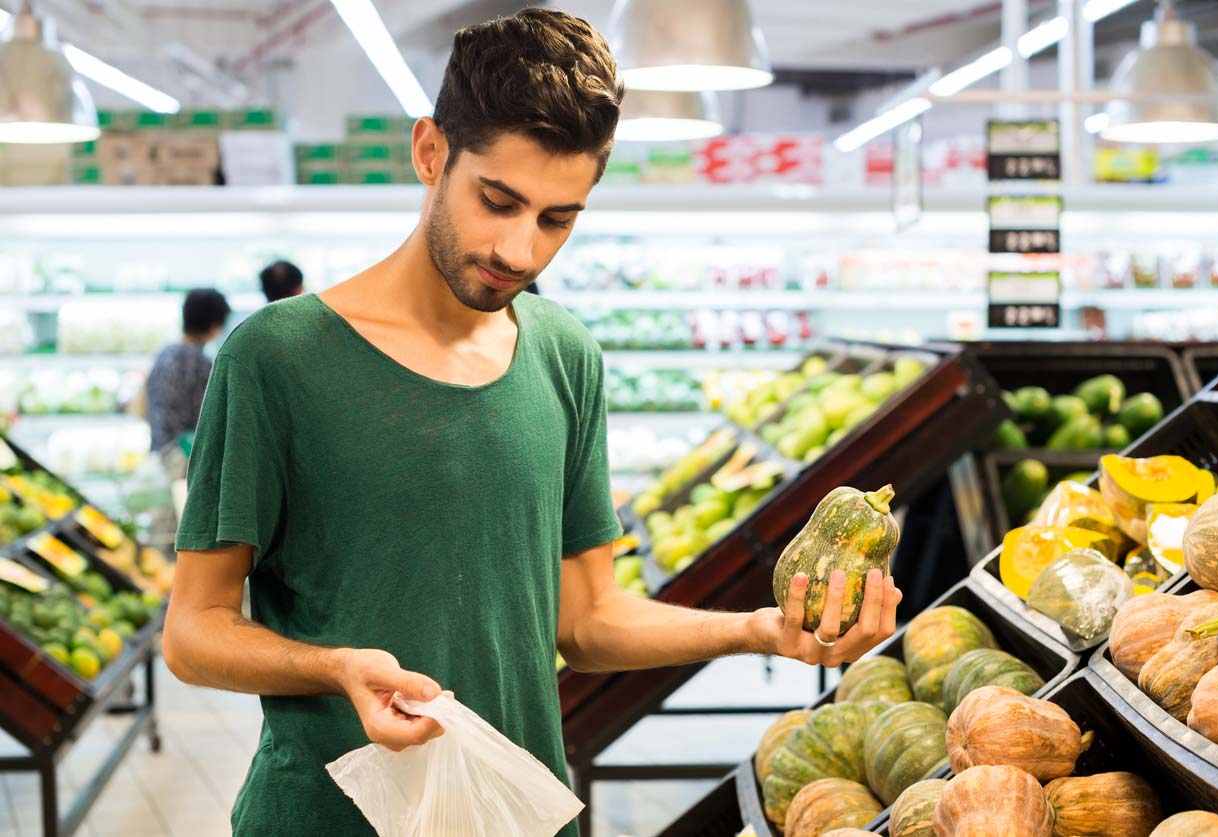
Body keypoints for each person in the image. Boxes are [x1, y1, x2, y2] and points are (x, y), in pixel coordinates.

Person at [162, 10, 902, 836]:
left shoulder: (564, 354)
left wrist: (760, 630)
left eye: (558, 219)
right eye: (499, 200)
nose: (519, 249)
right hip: (325, 816)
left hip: (520, 812)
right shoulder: (277, 357)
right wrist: (335, 668)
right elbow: (193, 630)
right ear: (430, 152)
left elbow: (586, 621)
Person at [144, 288, 230, 451]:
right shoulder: (202, 364)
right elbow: (206, 421)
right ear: (215, 324)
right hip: (187, 457)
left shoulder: (164, 353)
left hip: (160, 450)